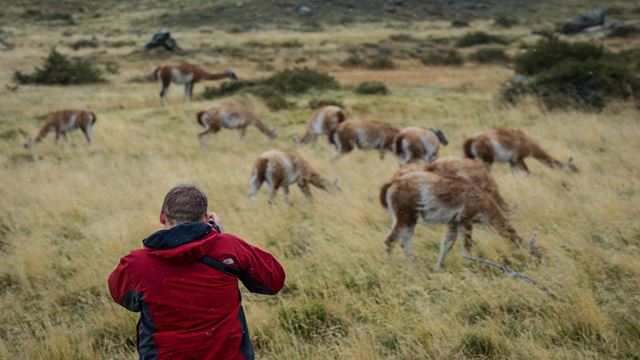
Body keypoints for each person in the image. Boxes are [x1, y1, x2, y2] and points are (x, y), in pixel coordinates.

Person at [108, 184, 285, 359]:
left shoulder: (135, 263)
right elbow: (273, 280)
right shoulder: (228, 247)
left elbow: (122, 297)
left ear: (162, 217)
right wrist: (218, 235)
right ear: (206, 217)